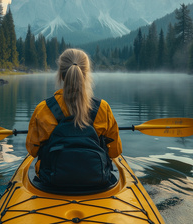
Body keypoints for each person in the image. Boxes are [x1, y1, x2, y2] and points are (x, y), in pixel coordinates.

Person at [26, 48, 122, 189]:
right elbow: (115, 151)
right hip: (97, 180)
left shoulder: (43, 109)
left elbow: (32, 150)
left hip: (52, 182)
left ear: (61, 74)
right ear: (86, 73)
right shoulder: (103, 108)